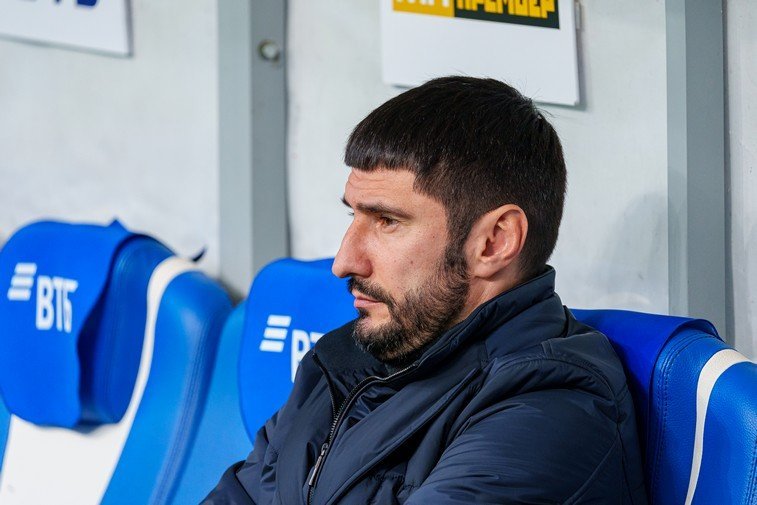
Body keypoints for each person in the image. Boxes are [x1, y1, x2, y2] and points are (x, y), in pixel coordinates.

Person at [204, 76, 647, 504]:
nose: (344, 261)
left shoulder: (549, 407)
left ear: (494, 242)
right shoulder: (343, 362)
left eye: (387, 221)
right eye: (353, 216)